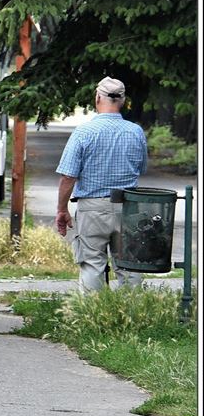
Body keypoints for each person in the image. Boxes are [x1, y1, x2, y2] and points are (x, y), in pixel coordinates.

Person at [55, 76, 148, 291]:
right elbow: (141, 169)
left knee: (91, 264)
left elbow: (68, 176)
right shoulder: (136, 132)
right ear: (123, 101)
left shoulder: (83, 132)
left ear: (97, 98)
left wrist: (62, 209)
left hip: (92, 209)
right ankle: (134, 318)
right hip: (128, 207)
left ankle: (93, 317)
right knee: (129, 267)